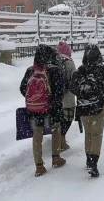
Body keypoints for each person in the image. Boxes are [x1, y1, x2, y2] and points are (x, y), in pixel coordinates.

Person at [69, 44, 104, 178]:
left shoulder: (80, 70)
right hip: (99, 106)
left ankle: (88, 158)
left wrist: (82, 93)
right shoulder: (102, 69)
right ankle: (93, 162)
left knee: (89, 134)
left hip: (84, 107)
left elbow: (72, 87)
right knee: (97, 134)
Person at [19, 44, 66, 177]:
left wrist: (35, 99)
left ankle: (39, 166)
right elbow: (59, 92)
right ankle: (56, 158)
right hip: (51, 109)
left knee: (37, 135)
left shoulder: (30, 70)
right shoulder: (54, 70)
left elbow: (22, 89)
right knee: (56, 129)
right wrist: (51, 102)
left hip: (34, 110)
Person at [56, 41, 77, 151]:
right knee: (67, 119)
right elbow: (75, 79)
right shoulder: (70, 63)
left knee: (58, 120)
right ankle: (61, 139)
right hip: (68, 98)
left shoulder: (53, 62)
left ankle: (58, 139)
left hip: (56, 98)